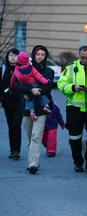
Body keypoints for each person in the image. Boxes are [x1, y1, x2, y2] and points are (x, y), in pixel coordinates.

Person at [15, 45, 54, 174]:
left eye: (43, 54)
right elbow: (17, 86)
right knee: (29, 137)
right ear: (33, 55)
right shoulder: (23, 68)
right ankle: (32, 161)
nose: (40, 56)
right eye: (38, 54)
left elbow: (47, 87)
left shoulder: (49, 71)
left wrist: (30, 91)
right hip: (27, 108)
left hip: (42, 108)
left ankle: (33, 164)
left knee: (36, 137)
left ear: (45, 56)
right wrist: (31, 90)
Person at [57, 45, 87, 172]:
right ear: (79, 55)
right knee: (75, 138)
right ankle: (78, 162)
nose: (85, 60)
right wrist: (74, 87)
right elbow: (61, 84)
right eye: (82, 57)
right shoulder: (70, 67)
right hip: (74, 108)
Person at [10, 51, 52, 121]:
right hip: (33, 84)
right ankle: (46, 105)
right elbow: (39, 77)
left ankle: (31, 111)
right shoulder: (31, 68)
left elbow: (12, 79)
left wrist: (11, 86)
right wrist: (47, 82)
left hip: (25, 85)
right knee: (40, 94)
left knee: (29, 98)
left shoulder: (16, 70)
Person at [0, 48, 22, 160]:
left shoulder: (22, 68)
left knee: (16, 125)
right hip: (7, 102)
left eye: (15, 55)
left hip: (19, 102)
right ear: (7, 57)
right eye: (10, 55)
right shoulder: (3, 69)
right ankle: (12, 150)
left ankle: (17, 150)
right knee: (10, 127)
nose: (13, 57)